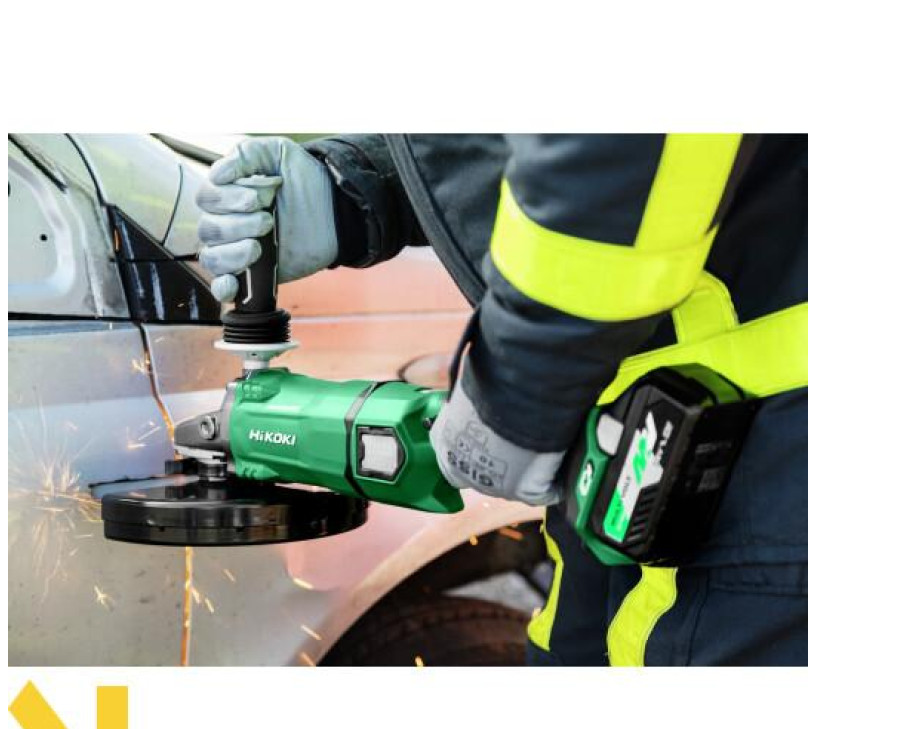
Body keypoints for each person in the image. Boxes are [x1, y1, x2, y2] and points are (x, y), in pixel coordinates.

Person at [195, 134, 807, 666]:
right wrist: (360, 189)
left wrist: (519, 393)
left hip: (766, 471)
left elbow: (621, 150)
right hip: (640, 460)